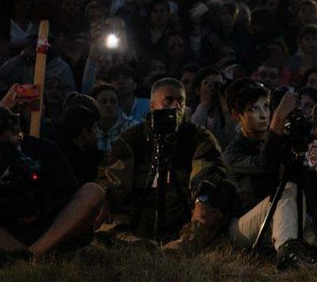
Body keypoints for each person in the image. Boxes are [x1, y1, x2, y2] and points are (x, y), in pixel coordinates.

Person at [223, 81, 317, 267]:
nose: (263, 115)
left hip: (287, 219)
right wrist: (278, 120)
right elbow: (264, 164)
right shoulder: (233, 152)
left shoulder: (281, 137)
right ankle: (289, 252)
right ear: (237, 115)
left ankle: (303, 244)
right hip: (246, 226)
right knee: (288, 188)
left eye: (267, 107)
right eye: (254, 109)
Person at [96, 78, 235, 252]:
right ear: (153, 106)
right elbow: (114, 173)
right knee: (104, 205)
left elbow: (207, 166)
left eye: (181, 101)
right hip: (141, 210)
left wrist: (202, 197)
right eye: (168, 101)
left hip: (184, 211)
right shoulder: (133, 137)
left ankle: (183, 245)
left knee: (223, 189)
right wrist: (106, 196)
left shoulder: (197, 136)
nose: (176, 107)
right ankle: (133, 244)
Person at [0, 105, 104, 258]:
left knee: (92, 191)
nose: (3, 153)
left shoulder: (43, 149)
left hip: (51, 224)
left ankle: (32, 254)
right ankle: (27, 254)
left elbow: (69, 190)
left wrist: (40, 207)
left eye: (8, 145)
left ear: (17, 134)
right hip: (8, 231)